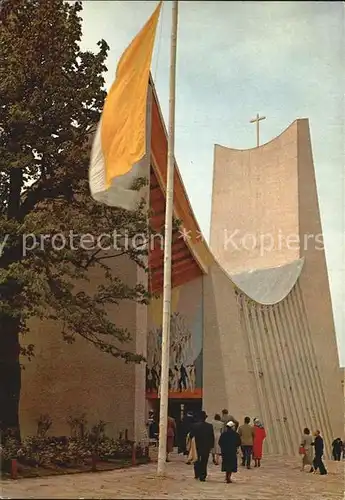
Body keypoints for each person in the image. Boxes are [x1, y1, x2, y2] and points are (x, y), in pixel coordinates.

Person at [189, 410, 215, 481]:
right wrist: (211, 446)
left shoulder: (195, 426)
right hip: (206, 446)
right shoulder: (209, 426)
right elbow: (212, 437)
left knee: (196, 459)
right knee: (204, 461)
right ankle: (203, 475)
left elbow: (191, 435)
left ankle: (197, 473)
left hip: (197, 445)